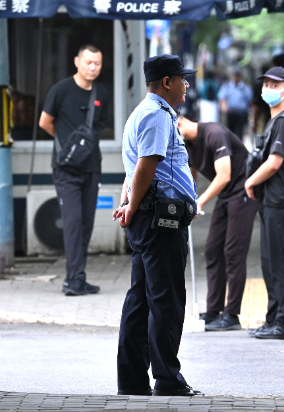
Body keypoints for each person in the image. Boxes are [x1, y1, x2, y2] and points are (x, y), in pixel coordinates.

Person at [113, 54, 201, 397]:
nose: (186, 84)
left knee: (141, 300)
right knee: (165, 300)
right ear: (167, 82)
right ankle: (167, 379)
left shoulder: (147, 113)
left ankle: (133, 381)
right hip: (158, 221)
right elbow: (145, 168)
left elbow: (133, 169)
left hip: (148, 216)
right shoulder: (156, 116)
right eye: (182, 78)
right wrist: (132, 207)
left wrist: (127, 205)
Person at [39, 44, 109, 296]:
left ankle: (77, 277)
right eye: (88, 62)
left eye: (97, 63)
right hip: (65, 167)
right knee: (73, 222)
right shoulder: (60, 90)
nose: (93, 67)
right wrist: (66, 144)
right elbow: (44, 122)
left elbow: (100, 126)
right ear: (76, 61)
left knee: (87, 222)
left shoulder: (101, 92)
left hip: (92, 167)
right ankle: (73, 279)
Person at [178, 117, 259, 331]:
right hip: (226, 196)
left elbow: (224, 175)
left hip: (243, 192)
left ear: (178, 125)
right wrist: (190, 198)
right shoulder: (186, 144)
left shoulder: (215, 134)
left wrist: (201, 201)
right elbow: (190, 173)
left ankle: (231, 315)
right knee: (213, 249)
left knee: (233, 252)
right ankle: (213, 311)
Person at [244, 66, 284, 340]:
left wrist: (250, 181)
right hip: (273, 200)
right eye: (265, 83)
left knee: (280, 263)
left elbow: (274, 162)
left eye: (274, 84)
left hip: (280, 200)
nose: (268, 88)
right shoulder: (276, 120)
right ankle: (273, 319)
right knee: (269, 262)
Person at [218, 68, 253, 139]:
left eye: (238, 75)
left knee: (239, 132)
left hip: (241, 113)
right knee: (230, 133)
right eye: (235, 75)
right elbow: (222, 97)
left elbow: (250, 99)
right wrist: (224, 106)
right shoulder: (227, 86)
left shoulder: (245, 87)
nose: (236, 77)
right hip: (231, 113)